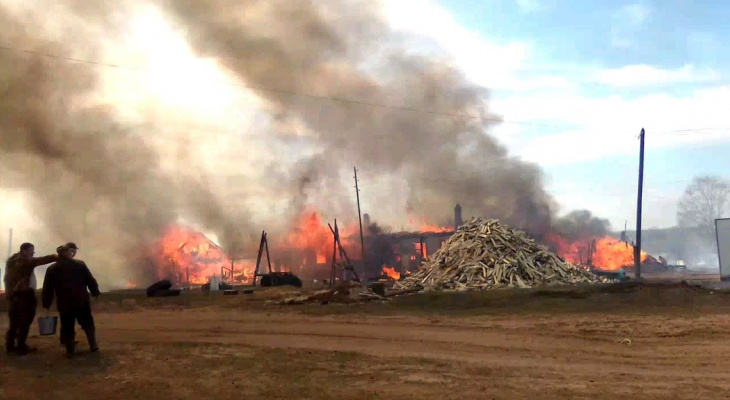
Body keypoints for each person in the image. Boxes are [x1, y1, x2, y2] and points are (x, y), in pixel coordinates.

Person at [42, 244, 100, 357]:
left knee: (67, 325)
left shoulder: (52, 268)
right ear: (68, 253)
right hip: (81, 300)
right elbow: (90, 280)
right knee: (88, 323)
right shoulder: (80, 264)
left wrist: (46, 303)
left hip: (64, 302)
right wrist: (95, 292)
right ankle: (93, 345)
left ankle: (70, 350)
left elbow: (47, 288)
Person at [4, 242, 58, 355]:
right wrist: (56, 257)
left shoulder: (12, 260)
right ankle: (20, 346)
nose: (33, 253)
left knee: (14, 322)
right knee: (25, 320)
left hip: (14, 295)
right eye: (31, 251)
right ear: (24, 251)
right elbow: (40, 260)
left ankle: (10, 345)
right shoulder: (24, 261)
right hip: (23, 295)